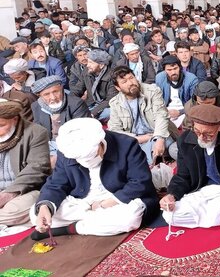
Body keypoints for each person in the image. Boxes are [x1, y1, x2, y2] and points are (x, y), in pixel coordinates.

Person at [31, 118, 159, 240]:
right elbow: (56, 183)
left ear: (100, 143)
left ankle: (72, 228)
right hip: (84, 201)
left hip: (116, 199)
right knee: (36, 213)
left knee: (130, 217)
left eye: (90, 156)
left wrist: (105, 204)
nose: (86, 162)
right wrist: (45, 207)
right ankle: (97, 222)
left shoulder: (126, 145)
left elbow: (140, 182)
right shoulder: (66, 150)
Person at [108, 66, 178, 165]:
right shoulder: (115, 103)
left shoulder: (152, 91)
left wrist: (160, 138)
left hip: (158, 133)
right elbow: (114, 130)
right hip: (135, 140)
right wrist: (139, 139)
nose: (131, 83)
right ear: (118, 88)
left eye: (131, 78)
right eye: (124, 82)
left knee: (176, 151)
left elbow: (161, 115)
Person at [0, 100, 51, 227]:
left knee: (13, 211)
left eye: (1, 125)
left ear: (15, 119)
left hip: (24, 191)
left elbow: (37, 168)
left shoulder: (35, 132)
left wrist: (8, 194)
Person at [30, 75, 90, 167]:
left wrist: (57, 156)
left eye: (56, 92)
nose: (53, 97)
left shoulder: (76, 104)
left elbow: (81, 135)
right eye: (46, 94)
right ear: (40, 95)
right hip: (48, 146)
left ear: (61, 89)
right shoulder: (36, 106)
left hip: (71, 146)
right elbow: (38, 132)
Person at [71, 49, 118, 122]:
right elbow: (78, 88)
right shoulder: (86, 71)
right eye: (88, 62)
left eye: (91, 63)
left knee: (110, 113)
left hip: (105, 106)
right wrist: (69, 100)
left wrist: (93, 113)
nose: (88, 65)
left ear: (101, 65)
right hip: (91, 103)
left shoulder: (112, 76)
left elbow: (109, 100)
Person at [155, 56, 199, 127]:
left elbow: (195, 102)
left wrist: (180, 112)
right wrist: (164, 111)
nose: (173, 72)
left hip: (185, 110)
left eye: (175, 68)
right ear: (164, 71)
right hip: (166, 110)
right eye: (169, 70)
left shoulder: (191, 79)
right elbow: (157, 99)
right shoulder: (159, 78)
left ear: (180, 67)